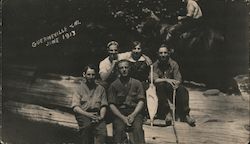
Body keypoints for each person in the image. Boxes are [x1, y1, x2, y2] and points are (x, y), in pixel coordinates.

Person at [152, 45, 195, 127]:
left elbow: (178, 79)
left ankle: (185, 114)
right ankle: (167, 113)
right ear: (158, 54)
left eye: (165, 53)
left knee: (183, 90)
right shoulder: (155, 65)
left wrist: (177, 84)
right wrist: (166, 80)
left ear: (168, 53)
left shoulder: (174, 64)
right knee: (160, 86)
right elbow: (155, 80)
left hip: (171, 88)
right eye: (161, 53)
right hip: (160, 89)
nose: (163, 55)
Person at [108, 60, 146, 144]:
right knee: (119, 129)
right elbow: (111, 105)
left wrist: (133, 115)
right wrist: (123, 118)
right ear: (118, 70)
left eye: (126, 67)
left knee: (137, 128)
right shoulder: (114, 85)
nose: (124, 70)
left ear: (130, 69)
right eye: (121, 68)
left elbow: (141, 101)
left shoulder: (137, 83)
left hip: (135, 112)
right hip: (119, 113)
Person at [72, 64, 108, 144]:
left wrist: (101, 117)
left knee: (102, 131)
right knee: (87, 127)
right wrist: (88, 115)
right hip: (83, 114)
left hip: (97, 115)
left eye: (93, 75)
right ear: (84, 75)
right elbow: (75, 107)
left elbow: (104, 105)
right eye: (88, 74)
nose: (91, 77)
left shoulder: (100, 89)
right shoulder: (79, 89)